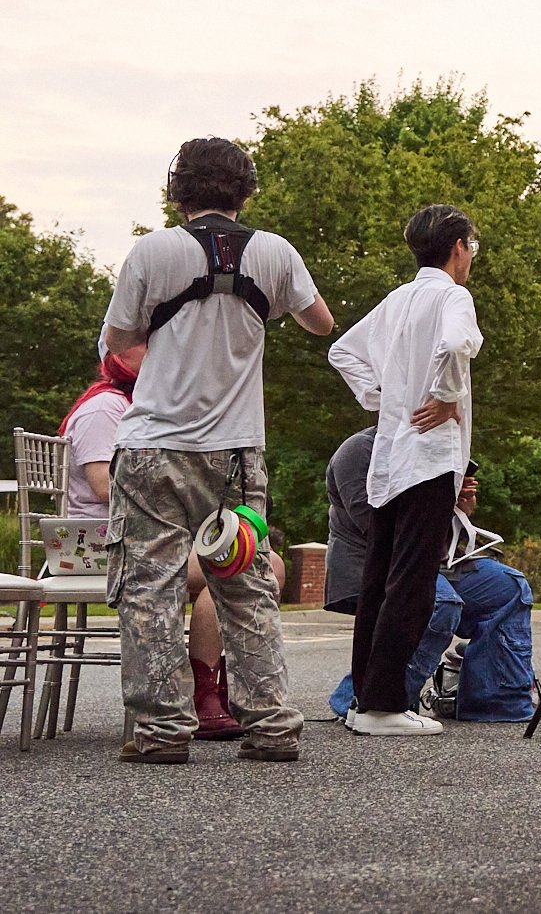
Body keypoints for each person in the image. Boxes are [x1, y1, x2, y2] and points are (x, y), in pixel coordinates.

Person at [99, 136, 333, 764]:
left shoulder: (153, 251)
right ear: (246, 190)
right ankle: (273, 725)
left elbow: (118, 340)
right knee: (246, 583)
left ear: (176, 190)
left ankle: (160, 732)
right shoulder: (275, 252)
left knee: (151, 585)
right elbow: (321, 321)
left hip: (155, 448)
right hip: (237, 455)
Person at [325, 203, 484, 738]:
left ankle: (365, 699)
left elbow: (342, 352)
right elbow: (460, 342)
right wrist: (442, 396)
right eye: (471, 247)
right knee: (413, 582)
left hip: (389, 456)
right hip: (429, 456)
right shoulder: (452, 296)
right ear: (458, 247)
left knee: (380, 581)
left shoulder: (396, 300)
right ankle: (384, 705)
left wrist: (382, 398)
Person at [60, 340, 246, 738]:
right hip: (104, 544)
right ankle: (204, 695)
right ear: (116, 355)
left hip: (148, 537)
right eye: (146, 346)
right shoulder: (104, 408)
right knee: (227, 567)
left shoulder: (143, 410)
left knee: (254, 560)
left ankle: (216, 686)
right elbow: (101, 487)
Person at [323, 426, 538, 723]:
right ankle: (371, 701)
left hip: (431, 562)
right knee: (440, 601)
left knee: (508, 586)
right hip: (369, 565)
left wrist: (455, 508)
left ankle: (493, 700)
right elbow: (376, 530)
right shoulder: (359, 450)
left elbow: (437, 541)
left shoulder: (435, 445)